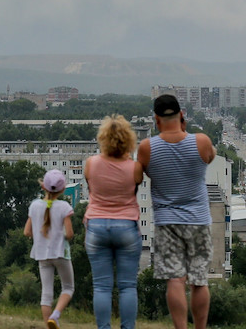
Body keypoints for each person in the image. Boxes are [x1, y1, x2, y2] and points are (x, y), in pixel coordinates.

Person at [137, 94, 216, 329]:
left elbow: (145, 173)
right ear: (181, 115)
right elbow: (210, 156)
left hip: (166, 221)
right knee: (200, 281)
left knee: (175, 280)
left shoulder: (147, 147)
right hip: (199, 220)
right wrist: (186, 131)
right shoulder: (200, 141)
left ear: (156, 119)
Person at [84, 114, 143, 329]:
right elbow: (136, 185)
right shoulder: (135, 168)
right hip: (126, 226)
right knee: (128, 286)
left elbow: (91, 188)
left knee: (101, 287)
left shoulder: (91, 164)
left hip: (96, 226)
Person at [24, 169, 74, 329]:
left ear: (43, 186)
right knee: (68, 287)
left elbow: (27, 232)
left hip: (42, 255)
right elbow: (70, 234)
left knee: (46, 294)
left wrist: (39, 236)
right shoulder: (64, 207)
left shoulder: (34, 206)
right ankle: (56, 314)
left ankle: (49, 324)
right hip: (61, 253)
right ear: (62, 189)